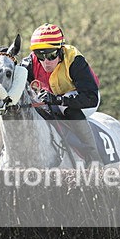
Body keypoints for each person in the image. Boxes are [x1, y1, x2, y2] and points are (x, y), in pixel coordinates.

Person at [21, 23, 103, 164]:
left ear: (60, 50)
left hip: (84, 97)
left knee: (67, 109)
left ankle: (95, 158)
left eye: (51, 55)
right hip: (51, 98)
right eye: (40, 55)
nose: (46, 62)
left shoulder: (74, 60)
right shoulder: (29, 64)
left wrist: (58, 100)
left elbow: (91, 98)